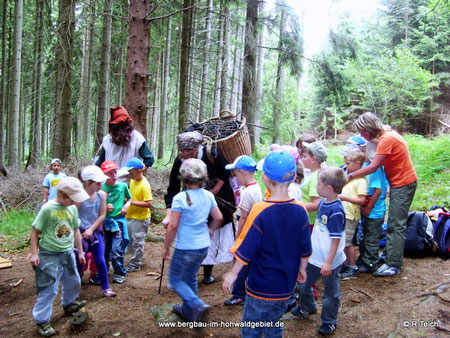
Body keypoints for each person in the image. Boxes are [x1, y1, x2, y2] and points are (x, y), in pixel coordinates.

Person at [222, 151, 312, 337]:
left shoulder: (260, 210)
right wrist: (302, 269)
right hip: (286, 284)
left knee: (251, 328)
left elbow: (247, 247)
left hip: (261, 284)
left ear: (265, 177)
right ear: (294, 176)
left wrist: (233, 274)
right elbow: (305, 247)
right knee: (274, 323)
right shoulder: (301, 210)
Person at [163, 131, 236, 285]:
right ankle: (191, 272)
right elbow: (173, 189)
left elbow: (225, 172)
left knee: (212, 232)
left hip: (218, 198)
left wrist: (213, 191)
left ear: (195, 150)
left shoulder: (212, 154)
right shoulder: (180, 161)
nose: (182, 154)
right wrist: (169, 213)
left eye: (186, 151)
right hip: (193, 200)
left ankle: (207, 273)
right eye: (181, 151)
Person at [350, 112, 418, 276]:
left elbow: (373, 166)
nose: (361, 136)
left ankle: (393, 264)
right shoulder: (385, 136)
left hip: (404, 182)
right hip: (398, 182)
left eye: (362, 132)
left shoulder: (387, 139)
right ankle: (390, 254)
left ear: (370, 128)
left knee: (396, 224)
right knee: (394, 221)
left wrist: (350, 176)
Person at [162, 158, 223, 322]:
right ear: (203, 176)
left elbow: (173, 226)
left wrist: (166, 246)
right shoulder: (208, 195)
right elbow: (218, 217)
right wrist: (210, 230)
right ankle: (190, 312)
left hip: (185, 247)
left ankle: (195, 303)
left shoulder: (180, 198)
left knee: (175, 280)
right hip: (203, 246)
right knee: (190, 277)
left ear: (183, 177)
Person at [30, 177, 89, 337]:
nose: (74, 202)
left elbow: (76, 229)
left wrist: (80, 251)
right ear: (62, 195)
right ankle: (42, 320)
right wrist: (35, 254)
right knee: (48, 288)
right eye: (72, 199)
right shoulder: (48, 208)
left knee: (74, 281)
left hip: (68, 252)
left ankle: (69, 303)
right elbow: (35, 231)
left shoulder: (72, 209)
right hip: (49, 254)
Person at [292, 166, 347, 336]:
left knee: (331, 293)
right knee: (303, 283)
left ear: (328, 188)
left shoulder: (336, 211)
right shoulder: (323, 203)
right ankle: (308, 307)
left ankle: (329, 321)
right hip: (314, 257)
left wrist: (329, 262)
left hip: (329, 260)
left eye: (319, 183)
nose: (316, 185)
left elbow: (336, 239)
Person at [223, 155, 262, 306]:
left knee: (239, 262)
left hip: (245, 232)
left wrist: (238, 237)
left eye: (236, 173)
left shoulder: (247, 192)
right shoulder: (256, 188)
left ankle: (239, 294)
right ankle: (248, 290)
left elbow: (243, 218)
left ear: (243, 172)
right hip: (254, 233)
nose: (235, 177)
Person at [77, 166, 117, 297]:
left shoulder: (101, 196)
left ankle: (105, 288)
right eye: (98, 183)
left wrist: (91, 229)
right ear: (88, 183)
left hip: (95, 232)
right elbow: (73, 216)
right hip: (79, 233)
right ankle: (74, 289)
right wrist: (80, 232)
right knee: (79, 261)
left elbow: (102, 215)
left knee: (100, 260)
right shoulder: (79, 197)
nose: (101, 185)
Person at [358, 141, 388, 273]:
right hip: (366, 209)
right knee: (365, 235)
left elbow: (377, 190)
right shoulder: (365, 166)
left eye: (364, 151)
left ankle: (371, 262)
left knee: (372, 238)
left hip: (374, 211)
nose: (361, 154)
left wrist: (369, 207)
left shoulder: (375, 169)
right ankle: (364, 258)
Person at [100, 160, 132, 284]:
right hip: (105, 222)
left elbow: (129, 199)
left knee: (116, 249)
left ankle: (119, 272)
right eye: (110, 173)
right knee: (105, 249)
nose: (114, 175)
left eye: (115, 172)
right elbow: (95, 205)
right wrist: (104, 206)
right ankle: (104, 270)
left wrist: (126, 206)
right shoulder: (101, 188)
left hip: (118, 221)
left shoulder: (122, 186)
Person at [338, 149, 368, 278]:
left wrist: (344, 198)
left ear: (357, 164)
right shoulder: (349, 178)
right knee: (343, 241)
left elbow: (361, 200)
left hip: (351, 215)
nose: (346, 166)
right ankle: (345, 264)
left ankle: (353, 266)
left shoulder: (361, 181)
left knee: (348, 242)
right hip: (343, 213)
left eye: (348, 163)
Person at [121, 158, 153, 272]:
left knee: (137, 240)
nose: (129, 174)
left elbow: (149, 203)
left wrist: (132, 202)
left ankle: (135, 263)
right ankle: (136, 257)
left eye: (131, 172)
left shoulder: (145, 185)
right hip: (130, 216)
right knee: (130, 239)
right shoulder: (133, 180)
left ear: (140, 171)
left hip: (140, 219)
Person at [300, 141, 328, 225]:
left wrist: (295, 205)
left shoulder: (316, 178)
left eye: (304, 156)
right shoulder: (312, 174)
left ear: (314, 159)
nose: (301, 159)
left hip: (310, 222)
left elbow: (316, 204)